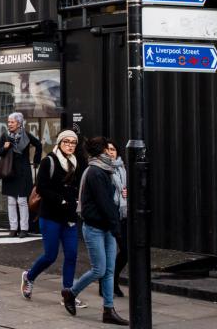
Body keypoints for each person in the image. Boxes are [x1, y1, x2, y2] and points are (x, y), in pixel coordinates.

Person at [63, 137, 128, 326]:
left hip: (106, 226)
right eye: (106, 150)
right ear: (99, 153)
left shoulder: (106, 170)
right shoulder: (96, 172)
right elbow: (104, 203)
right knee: (99, 269)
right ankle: (71, 293)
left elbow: (111, 200)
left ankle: (108, 310)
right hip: (95, 228)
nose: (110, 152)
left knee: (108, 270)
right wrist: (117, 229)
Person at [21, 130, 85, 305]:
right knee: (50, 255)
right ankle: (29, 276)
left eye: (73, 142)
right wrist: (62, 200)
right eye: (67, 142)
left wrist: (76, 201)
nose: (70, 145)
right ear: (59, 142)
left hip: (69, 217)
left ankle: (68, 293)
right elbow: (41, 188)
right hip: (50, 216)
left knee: (71, 255)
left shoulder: (75, 162)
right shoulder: (48, 161)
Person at [0, 112, 43, 237]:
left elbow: (39, 145)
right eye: (8, 122)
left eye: (12, 122)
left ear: (19, 123)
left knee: (22, 201)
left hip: (23, 172)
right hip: (9, 171)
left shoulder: (26, 135)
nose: (9, 124)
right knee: (11, 200)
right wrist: (5, 148)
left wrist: (36, 161)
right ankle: (13, 228)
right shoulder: (5, 136)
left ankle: (24, 228)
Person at [104, 139, 128, 298]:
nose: (111, 152)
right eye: (107, 150)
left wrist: (126, 193)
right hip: (110, 215)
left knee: (125, 251)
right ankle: (106, 284)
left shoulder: (122, 168)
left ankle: (113, 280)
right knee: (109, 252)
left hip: (122, 213)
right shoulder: (103, 169)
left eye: (113, 149)